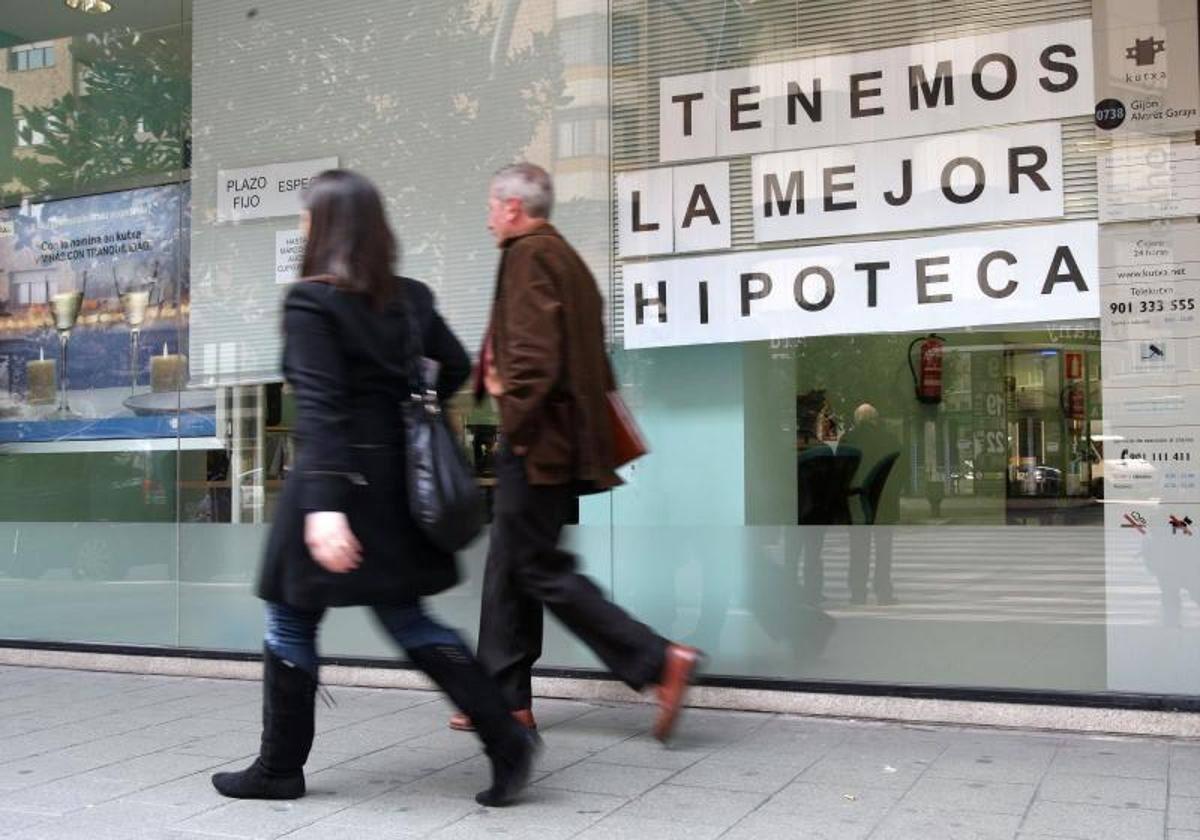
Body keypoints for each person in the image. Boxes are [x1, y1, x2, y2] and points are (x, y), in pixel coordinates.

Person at [211, 170, 538, 808]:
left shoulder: (312, 301)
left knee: (288, 614)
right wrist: (408, 411)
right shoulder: (410, 298)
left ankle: (279, 769)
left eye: (308, 216)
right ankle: (507, 740)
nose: (303, 226)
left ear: (324, 227)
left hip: (332, 485)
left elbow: (323, 408)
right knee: (407, 616)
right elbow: (457, 368)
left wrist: (327, 508)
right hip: (398, 487)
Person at [448, 162, 702, 740]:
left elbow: (535, 360)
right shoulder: (565, 259)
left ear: (513, 206)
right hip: (558, 442)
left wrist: (505, 403)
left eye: (492, 204)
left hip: (538, 441)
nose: (488, 216)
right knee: (510, 567)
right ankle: (507, 699)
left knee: (537, 569)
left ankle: (659, 662)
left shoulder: (529, 255)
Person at [839, 403, 905, 605]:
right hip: (884, 502)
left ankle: (858, 592)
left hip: (858, 503)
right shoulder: (889, 439)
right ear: (875, 419)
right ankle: (883, 590)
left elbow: (841, 472)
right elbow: (900, 470)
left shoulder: (848, 440)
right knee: (883, 550)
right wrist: (892, 492)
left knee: (858, 548)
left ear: (857, 420)